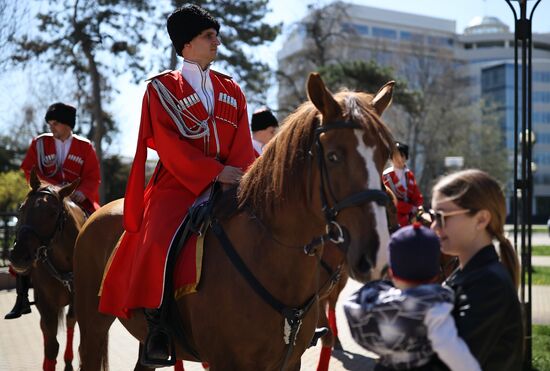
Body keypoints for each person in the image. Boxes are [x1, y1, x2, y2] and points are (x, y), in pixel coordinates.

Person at [98, 4, 255, 366]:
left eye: (215, 35)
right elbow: (168, 145)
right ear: (186, 45)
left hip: (231, 181)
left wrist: (236, 173)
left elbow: (243, 144)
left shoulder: (232, 89)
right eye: (208, 36)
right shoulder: (162, 89)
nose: (217, 41)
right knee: (157, 240)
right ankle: (157, 325)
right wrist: (212, 172)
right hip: (178, 184)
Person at [5, 102, 100, 320]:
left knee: (101, 227)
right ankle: (21, 297)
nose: (52, 127)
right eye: (50, 123)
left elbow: (93, 177)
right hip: (46, 197)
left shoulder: (85, 146)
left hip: (77, 199)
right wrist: (50, 188)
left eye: (55, 123)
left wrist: (83, 192)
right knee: (26, 230)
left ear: (67, 124)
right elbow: (28, 169)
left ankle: (104, 285)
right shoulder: (39, 143)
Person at [344, 223, 481, 371]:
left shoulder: (364, 309)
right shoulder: (436, 309)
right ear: (436, 275)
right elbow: (456, 356)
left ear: (390, 273)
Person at [426, 169, 523, 371]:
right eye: (432, 215)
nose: (434, 226)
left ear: (481, 220)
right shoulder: (471, 275)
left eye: (442, 216)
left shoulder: (489, 285)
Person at [383, 141, 423, 227]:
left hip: (411, 214)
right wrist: (410, 208)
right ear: (391, 158)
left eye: (402, 155)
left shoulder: (409, 175)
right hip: (393, 215)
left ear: (406, 157)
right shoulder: (386, 176)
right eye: (396, 156)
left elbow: (417, 195)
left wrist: (418, 207)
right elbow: (389, 199)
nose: (399, 159)